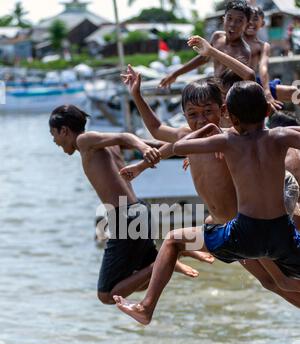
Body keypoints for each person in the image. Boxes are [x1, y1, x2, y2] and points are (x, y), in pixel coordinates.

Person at [114, 82, 300, 324]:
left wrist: (212, 135)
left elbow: (183, 147)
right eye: (193, 114)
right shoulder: (207, 137)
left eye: (207, 112)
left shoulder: (227, 138)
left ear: (225, 112)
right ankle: (145, 308)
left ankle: (147, 307)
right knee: (273, 282)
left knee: (276, 281)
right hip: (233, 226)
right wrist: (136, 94)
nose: (201, 120)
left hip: (241, 228)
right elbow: (156, 128)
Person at [49, 105, 207, 306]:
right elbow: (150, 142)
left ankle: (167, 259)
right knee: (136, 281)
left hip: (124, 217)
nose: (54, 140)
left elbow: (126, 136)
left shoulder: (84, 140)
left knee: (106, 295)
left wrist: (143, 150)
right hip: (139, 210)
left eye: (53, 134)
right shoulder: (102, 144)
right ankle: (171, 254)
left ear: (64, 130)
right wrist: (184, 149)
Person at [159, 1, 252, 87]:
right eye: (229, 18)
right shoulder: (217, 37)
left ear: (247, 25)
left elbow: (242, 78)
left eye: (239, 20)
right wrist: (175, 74)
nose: (232, 24)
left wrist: (211, 51)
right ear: (224, 19)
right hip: (217, 93)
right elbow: (204, 57)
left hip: (229, 97)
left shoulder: (243, 52)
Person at [244, 6, 297, 109]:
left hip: (255, 83)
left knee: (295, 93)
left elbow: (263, 68)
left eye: (255, 19)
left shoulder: (263, 45)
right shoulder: (234, 40)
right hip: (234, 84)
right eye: (247, 18)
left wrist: (267, 91)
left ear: (262, 24)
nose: (250, 22)